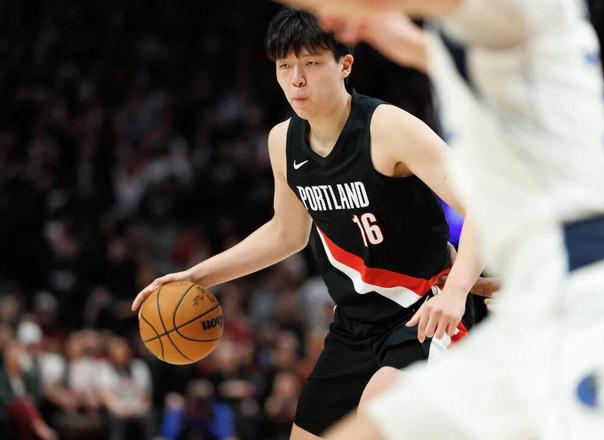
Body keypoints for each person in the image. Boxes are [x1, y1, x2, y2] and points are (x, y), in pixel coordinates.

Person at [277, 1, 604, 439]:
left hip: (596, 287)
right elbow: (415, 44)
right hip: (546, 289)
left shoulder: (526, 12)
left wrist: (355, 12)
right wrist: (372, 25)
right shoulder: (486, 47)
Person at [131, 8, 485, 439]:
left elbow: (484, 205)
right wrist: (196, 276)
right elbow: (286, 233)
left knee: (375, 421)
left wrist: (457, 291)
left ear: (345, 65)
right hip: (354, 325)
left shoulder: (388, 127)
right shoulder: (283, 141)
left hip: (424, 313)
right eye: (285, 66)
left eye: (312, 63)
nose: (297, 79)